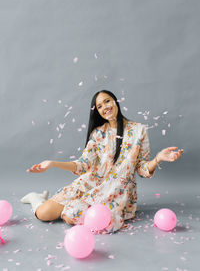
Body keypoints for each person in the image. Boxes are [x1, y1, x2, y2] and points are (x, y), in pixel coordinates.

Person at [21, 90, 183, 234]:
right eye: (99, 106)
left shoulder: (138, 130)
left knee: (71, 215)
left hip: (116, 192)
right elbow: (83, 165)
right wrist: (52, 163)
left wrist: (158, 158)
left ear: (115, 101)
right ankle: (36, 197)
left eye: (107, 101)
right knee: (43, 213)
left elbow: (141, 168)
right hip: (90, 183)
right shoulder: (98, 133)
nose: (105, 107)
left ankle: (75, 207)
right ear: (97, 112)